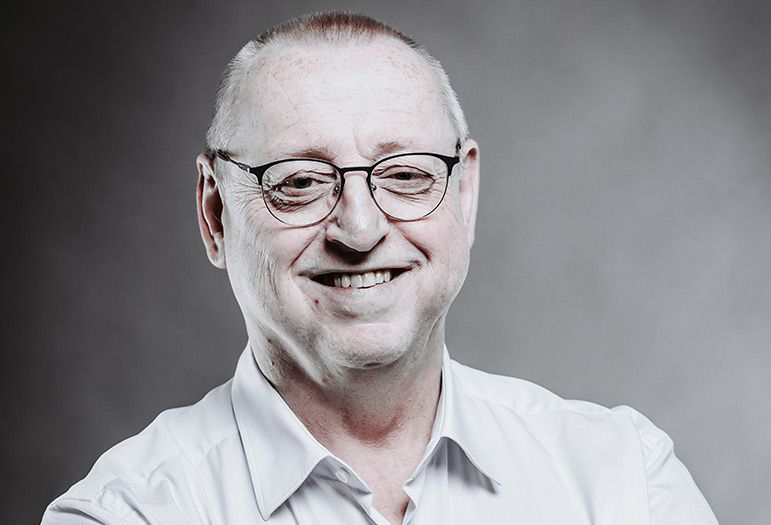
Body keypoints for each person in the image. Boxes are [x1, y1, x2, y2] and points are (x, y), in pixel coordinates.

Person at [43, 11, 718, 525]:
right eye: (299, 181)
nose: (361, 229)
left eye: (405, 175)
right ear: (215, 212)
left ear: (464, 194)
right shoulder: (127, 512)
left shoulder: (625, 482)